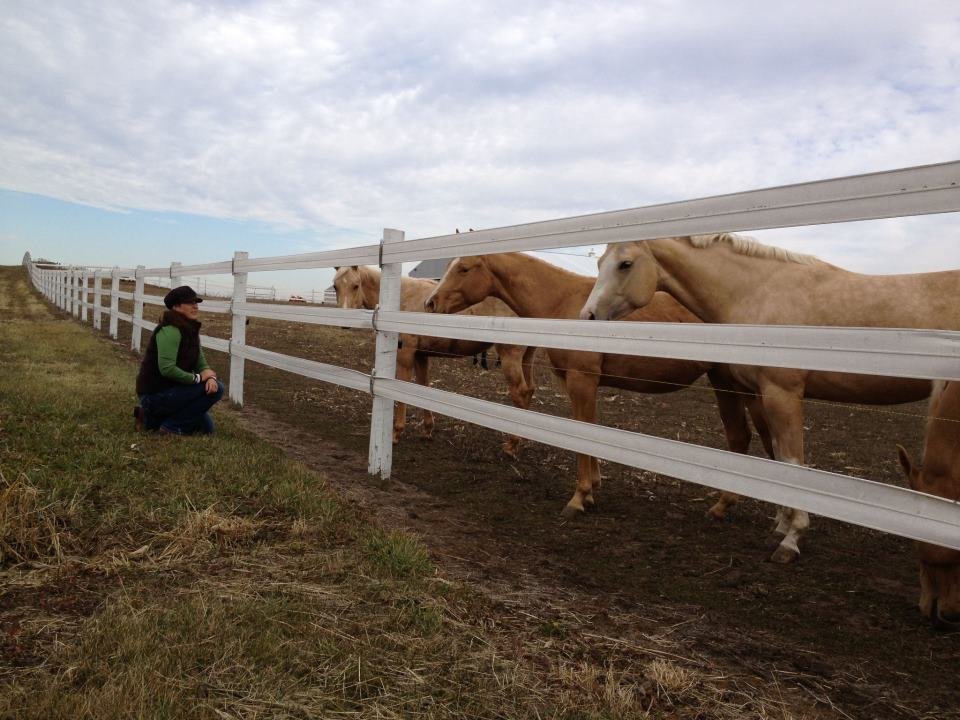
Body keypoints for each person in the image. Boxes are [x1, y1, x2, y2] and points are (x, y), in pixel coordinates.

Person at [134, 285, 224, 435]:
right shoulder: (169, 330)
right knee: (219, 390)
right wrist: (199, 378)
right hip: (155, 394)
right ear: (176, 306)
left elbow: (201, 363)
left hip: (175, 391)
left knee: (207, 428)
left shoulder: (190, 330)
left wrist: (211, 378)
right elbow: (167, 368)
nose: (195, 306)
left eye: (196, 303)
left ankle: (148, 418)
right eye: (190, 303)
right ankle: (171, 427)